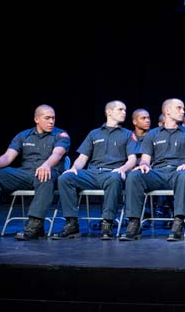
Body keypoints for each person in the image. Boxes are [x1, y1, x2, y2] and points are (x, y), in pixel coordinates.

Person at [0, 104, 71, 241]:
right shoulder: (23, 135)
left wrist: (46, 164)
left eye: (53, 118)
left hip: (49, 172)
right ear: (37, 119)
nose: (51, 121)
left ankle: (35, 226)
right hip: (25, 173)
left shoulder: (61, 135)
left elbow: (58, 153)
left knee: (45, 176)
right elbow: (8, 156)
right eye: (47, 118)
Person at [51, 101, 138, 240]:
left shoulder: (128, 134)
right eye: (120, 109)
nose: (124, 112)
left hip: (112, 173)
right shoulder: (94, 133)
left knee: (114, 178)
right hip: (93, 173)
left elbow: (132, 159)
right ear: (109, 112)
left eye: (125, 110)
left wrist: (122, 169)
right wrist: (73, 169)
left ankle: (107, 223)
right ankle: (71, 223)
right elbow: (82, 158)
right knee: (65, 178)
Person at [119, 98, 185, 241]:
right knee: (134, 175)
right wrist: (143, 165)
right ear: (167, 111)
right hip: (158, 173)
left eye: (183, 108)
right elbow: (145, 159)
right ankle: (134, 223)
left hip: (177, 172)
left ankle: (178, 223)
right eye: (179, 108)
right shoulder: (152, 134)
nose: (183, 111)